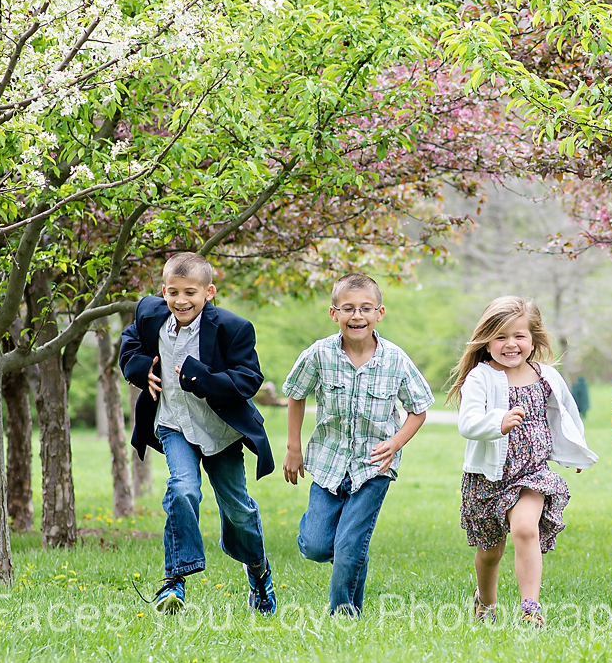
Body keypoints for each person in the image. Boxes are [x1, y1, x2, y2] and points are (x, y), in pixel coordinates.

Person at [118, 252, 275, 615]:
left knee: (238, 510)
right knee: (182, 488)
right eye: (173, 292)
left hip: (219, 432)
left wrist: (201, 376)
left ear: (209, 292)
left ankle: (258, 572)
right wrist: (140, 369)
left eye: (190, 292)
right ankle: (174, 580)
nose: (181, 300)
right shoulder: (149, 313)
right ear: (163, 291)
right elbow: (130, 344)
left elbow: (249, 378)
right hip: (173, 424)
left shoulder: (233, 328)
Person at [280, 273, 435, 615]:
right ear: (334, 313)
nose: (357, 316)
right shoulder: (319, 354)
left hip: (374, 466)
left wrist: (395, 443)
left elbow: (419, 409)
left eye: (366, 308)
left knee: (350, 544)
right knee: (317, 546)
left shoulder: (395, 360)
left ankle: (344, 613)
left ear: (380, 313)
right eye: (348, 308)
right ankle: (348, 555)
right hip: (328, 461)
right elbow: (296, 394)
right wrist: (294, 448)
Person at [451, 296, 599, 625]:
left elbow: (567, 413)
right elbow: (467, 423)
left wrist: (576, 450)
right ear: (486, 341)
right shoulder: (481, 377)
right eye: (500, 336)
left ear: (533, 339)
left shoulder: (546, 376)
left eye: (519, 336)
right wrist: (498, 422)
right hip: (488, 477)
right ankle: (485, 602)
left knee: (524, 529)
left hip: (533, 473)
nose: (510, 344)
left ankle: (530, 608)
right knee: (490, 551)